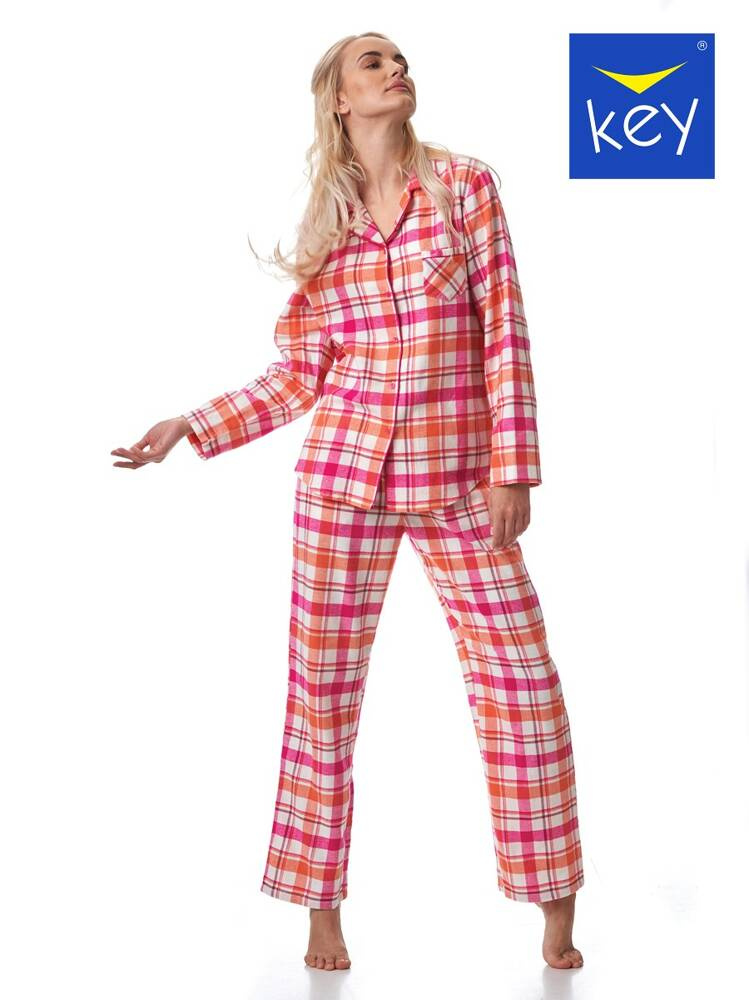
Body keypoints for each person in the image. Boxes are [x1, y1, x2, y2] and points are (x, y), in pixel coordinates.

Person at [111, 31, 585, 973]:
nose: (394, 69)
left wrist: (513, 467)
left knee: (522, 688)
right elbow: (301, 377)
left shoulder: (464, 188)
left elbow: (504, 330)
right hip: (343, 482)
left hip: (460, 479)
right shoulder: (328, 224)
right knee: (321, 700)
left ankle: (555, 909)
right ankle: (319, 914)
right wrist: (192, 425)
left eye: (398, 59)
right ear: (337, 97)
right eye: (372, 62)